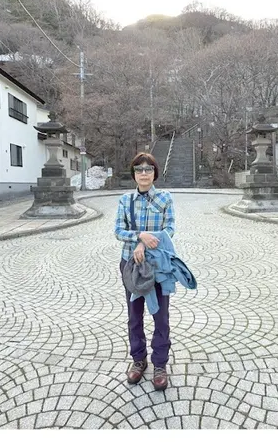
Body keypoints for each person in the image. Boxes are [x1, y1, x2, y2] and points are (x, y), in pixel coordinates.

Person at [115, 152, 176, 389]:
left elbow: (169, 229)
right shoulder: (125, 200)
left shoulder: (164, 198)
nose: (143, 173)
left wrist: (144, 243)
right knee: (134, 315)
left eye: (148, 169)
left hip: (158, 265)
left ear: (154, 173)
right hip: (130, 265)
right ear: (133, 174)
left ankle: (160, 362)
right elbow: (118, 231)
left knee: (160, 316)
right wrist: (139, 235)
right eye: (139, 169)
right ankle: (138, 360)